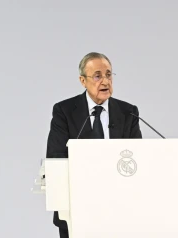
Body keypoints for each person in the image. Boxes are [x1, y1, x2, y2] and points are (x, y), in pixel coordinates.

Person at [45, 52, 142, 238]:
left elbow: (138, 158)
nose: (105, 81)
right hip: (77, 208)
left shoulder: (128, 112)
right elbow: (56, 157)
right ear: (83, 80)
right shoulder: (64, 111)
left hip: (120, 210)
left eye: (108, 74)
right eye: (97, 76)